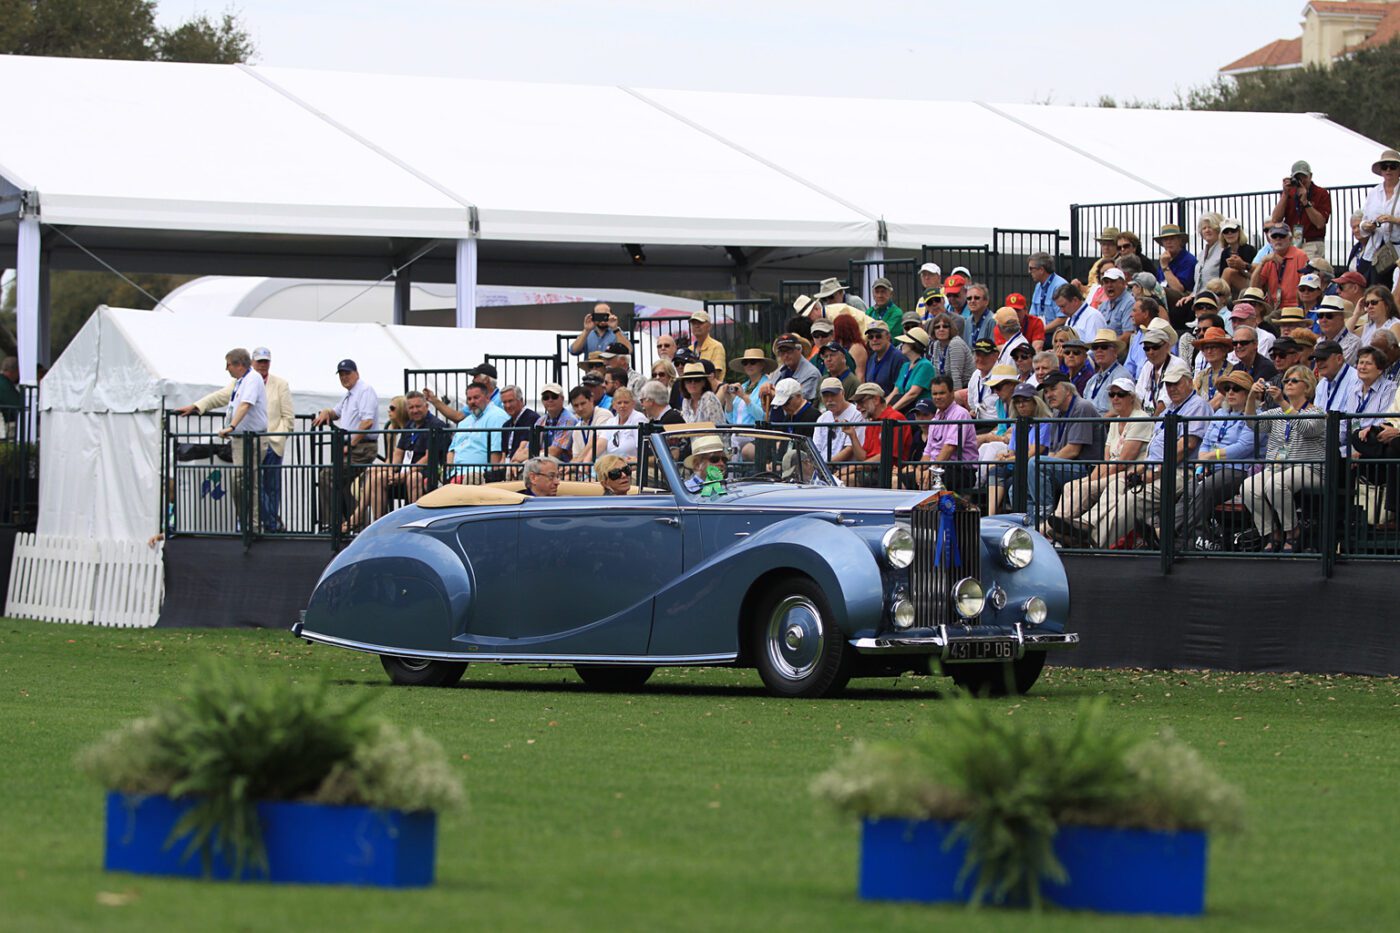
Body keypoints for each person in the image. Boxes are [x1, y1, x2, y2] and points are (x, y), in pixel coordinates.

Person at [1060, 361, 1208, 549]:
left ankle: (1095, 542)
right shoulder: (1169, 409)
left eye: (1176, 383)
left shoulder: (1197, 406)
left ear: (1189, 382)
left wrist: (1153, 471)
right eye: (1168, 385)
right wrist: (1139, 471)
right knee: (1117, 484)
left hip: (1178, 471)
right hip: (1154, 467)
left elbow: (1186, 446)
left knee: (1132, 499)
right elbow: (1151, 453)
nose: (1171, 389)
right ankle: (1084, 524)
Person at [178, 345, 292, 532]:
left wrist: (278, 437)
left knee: (267, 486)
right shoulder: (241, 381)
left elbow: (285, 415)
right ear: (252, 362)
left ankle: (266, 524)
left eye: (266, 361)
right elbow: (219, 397)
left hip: (266, 440)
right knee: (248, 482)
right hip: (247, 438)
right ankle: (256, 523)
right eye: (260, 361)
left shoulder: (275, 383)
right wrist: (196, 406)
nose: (263, 365)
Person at [1049, 376, 1153, 538]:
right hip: (1112, 470)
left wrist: (1095, 480)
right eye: (1112, 395)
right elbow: (1106, 458)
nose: (1115, 398)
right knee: (1070, 485)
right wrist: (1094, 477)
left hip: (1131, 472)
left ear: (1131, 397)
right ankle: (1058, 525)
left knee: (1086, 487)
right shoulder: (1115, 421)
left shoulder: (1140, 418)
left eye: (1121, 394)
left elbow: (1124, 461)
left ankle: (1057, 527)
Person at [1239, 366, 1325, 551]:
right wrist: (1251, 398)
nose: (1289, 384)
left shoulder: (1316, 412)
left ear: (1308, 386)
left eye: (1294, 381)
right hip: (1278, 468)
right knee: (1247, 487)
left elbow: (1306, 428)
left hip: (1310, 468)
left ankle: (1293, 531)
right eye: (1286, 381)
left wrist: (1282, 403)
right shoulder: (1276, 412)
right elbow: (1252, 423)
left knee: (1276, 483)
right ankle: (1272, 532)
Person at [1173, 370, 1260, 546]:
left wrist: (1212, 456)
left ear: (1248, 393)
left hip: (1239, 469)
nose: (1230, 393)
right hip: (1213, 468)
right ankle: (1171, 534)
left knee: (1205, 488)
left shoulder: (1256, 416)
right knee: (1189, 490)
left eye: (1236, 388)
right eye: (1227, 389)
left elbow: (1244, 447)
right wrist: (1201, 465)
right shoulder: (1220, 413)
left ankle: (1188, 536)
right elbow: (1205, 443)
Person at [353, 390, 447, 530]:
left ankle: (415, 525)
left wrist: (404, 474)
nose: (415, 410)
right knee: (378, 478)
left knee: (413, 478)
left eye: (418, 406)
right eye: (411, 407)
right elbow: (398, 454)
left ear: (426, 406)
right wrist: (391, 471)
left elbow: (428, 458)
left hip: (428, 473)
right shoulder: (409, 425)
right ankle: (381, 525)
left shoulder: (436, 425)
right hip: (404, 472)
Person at [1021, 372, 1102, 521]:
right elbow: (1053, 451)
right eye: (1045, 391)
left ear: (1068, 390)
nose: (1049, 394)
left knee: (1035, 464)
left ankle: (1044, 518)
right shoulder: (1057, 412)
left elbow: (1073, 450)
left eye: (1053, 389)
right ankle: (1030, 524)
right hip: (1066, 466)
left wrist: (1042, 463)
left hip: (1087, 468)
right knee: (1017, 486)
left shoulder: (1082, 406)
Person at [202, 348, 268, 530]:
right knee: (240, 479)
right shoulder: (241, 381)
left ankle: (252, 524)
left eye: (228, 364)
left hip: (252, 438)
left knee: (249, 480)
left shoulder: (252, 378)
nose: (226, 368)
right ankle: (245, 520)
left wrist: (231, 426)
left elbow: (246, 404)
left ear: (239, 364)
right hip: (241, 438)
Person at [312, 358, 379, 531]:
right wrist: (326, 411)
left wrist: (350, 444)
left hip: (361, 447)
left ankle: (334, 524)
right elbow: (336, 413)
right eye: (341, 374)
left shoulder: (364, 391)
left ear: (357, 373)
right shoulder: (350, 394)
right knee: (343, 484)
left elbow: (367, 422)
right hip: (354, 446)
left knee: (328, 476)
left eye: (347, 373)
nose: (344, 377)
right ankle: (352, 524)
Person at [985, 384, 1053, 515]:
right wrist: (1003, 457)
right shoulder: (1018, 424)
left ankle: (991, 515)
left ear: (1035, 402)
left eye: (1025, 401)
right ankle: (991, 513)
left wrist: (1006, 460)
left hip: (1034, 468)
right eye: (1017, 402)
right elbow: (1011, 451)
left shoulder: (1044, 423)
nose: (1021, 405)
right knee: (996, 468)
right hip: (1017, 466)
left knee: (1001, 473)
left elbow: (1031, 454)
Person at [904, 376, 976, 491]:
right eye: (935, 394)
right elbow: (928, 452)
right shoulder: (935, 419)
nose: (937, 397)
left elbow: (949, 448)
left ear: (952, 393)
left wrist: (932, 470)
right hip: (939, 468)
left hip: (960, 470)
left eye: (942, 393)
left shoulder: (960, 414)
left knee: (927, 481)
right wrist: (919, 469)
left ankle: (930, 509)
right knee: (897, 481)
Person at [841, 381, 912, 486]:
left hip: (890, 472)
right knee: (838, 479)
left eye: (861, 402)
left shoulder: (895, 418)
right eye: (856, 403)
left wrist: (854, 467)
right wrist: (852, 435)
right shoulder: (872, 423)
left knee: (842, 479)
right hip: (873, 472)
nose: (857, 407)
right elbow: (863, 458)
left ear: (876, 399)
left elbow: (885, 457)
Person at [445, 382, 509, 484]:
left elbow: (496, 453)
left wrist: (492, 478)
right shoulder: (464, 422)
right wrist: (448, 472)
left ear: (487, 397)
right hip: (456, 474)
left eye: (476, 398)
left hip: (479, 474)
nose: (472, 402)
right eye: (469, 399)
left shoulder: (497, 416)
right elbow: (451, 450)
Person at [1269, 160, 1332, 261]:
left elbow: (1320, 223)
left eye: (1304, 177)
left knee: (1307, 274)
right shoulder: (1289, 193)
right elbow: (1276, 219)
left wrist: (1306, 202)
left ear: (1310, 176)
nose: (1301, 181)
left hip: (1311, 243)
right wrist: (1285, 194)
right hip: (1291, 242)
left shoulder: (1321, 193)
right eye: (1297, 177)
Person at [1252, 223, 1310, 309]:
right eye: (1274, 236)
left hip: (1295, 307)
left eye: (1282, 236)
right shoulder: (1268, 258)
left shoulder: (1300, 256)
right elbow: (1254, 287)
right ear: (1270, 240)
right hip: (1274, 307)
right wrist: (1262, 262)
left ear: (1290, 239)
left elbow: (1306, 287)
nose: (1278, 239)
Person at [813, 377, 862, 462]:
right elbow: (816, 448)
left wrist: (827, 465)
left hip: (842, 469)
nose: (829, 400)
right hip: (822, 467)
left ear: (842, 393)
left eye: (833, 395)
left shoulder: (856, 414)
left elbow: (850, 449)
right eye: (825, 396)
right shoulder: (822, 418)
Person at [568, 384, 618, 464]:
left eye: (583, 403)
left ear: (591, 400)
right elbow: (576, 456)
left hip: (604, 467)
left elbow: (595, 440)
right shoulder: (577, 428)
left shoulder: (604, 414)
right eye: (576, 405)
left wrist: (576, 463)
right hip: (584, 470)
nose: (580, 408)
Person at [888, 326, 935, 413]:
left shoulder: (925, 365)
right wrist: (882, 411)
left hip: (919, 411)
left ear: (914, 345)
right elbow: (895, 391)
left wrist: (891, 412)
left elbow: (913, 394)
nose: (902, 345)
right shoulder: (905, 366)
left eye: (904, 342)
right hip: (904, 408)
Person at [1153, 224, 1198, 311]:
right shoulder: (1164, 258)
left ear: (1180, 241)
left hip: (1183, 301)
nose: (1169, 242)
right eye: (1165, 239)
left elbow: (1178, 289)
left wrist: (1165, 267)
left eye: (1172, 238)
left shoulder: (1188, 260)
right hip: (1163, 298)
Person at [1083, 329, 1128, 414]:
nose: (1099, 350)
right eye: (1095, 348)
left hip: (1107, 425)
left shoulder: (1121, 376)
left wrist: (1099, 423)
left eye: (1104, 347)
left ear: (1115, 351)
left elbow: (1120, 408)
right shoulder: (1092, 380)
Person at [499, 385, 541, 473]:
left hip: (522, 464)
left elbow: (524, 447)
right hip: (509, 464)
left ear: (521, 400)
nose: (508, 405)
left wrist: (512, 463)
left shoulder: (531, 418)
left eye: (511, 401)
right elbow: (503, 455)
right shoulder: (506, 425)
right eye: (504, 402)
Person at [1191, 327, 1235, 410]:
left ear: (1224, 349)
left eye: (1213, 347)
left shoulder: (1233, 371)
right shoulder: (1201, 375)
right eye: (1206, 348)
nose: (1209, 351)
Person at [769, 333, 821, 401]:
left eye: (789, 351)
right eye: (782, 352)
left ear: (799, 349)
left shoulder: (812, 374)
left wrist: (774, 393)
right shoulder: (777, 373)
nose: (786, 355)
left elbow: (799, 401)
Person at [926, 314, 973, 390]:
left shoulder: (955, 343)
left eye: (945, 326)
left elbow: (956, 377)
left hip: (966, 387)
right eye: (937, 327)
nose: (941, 329)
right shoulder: (936, 344)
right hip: (947, 388)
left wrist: (954, 401)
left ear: (951, 329)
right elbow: (937, 374)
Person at [861, 320, 906, 397]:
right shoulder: (872, 358)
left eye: (878, 336)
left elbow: (900, 391)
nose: (874, 340)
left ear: (888, 337)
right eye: (870, 337)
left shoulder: (898, 358)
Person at [537, 382, 580, 461]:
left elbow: (556, 451)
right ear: (542, 401)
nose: (550, 400)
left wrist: (532, 455)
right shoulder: (540, 421)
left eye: (554, 396)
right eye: (546, 397)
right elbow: (530, 447)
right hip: (542, 459)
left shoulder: (569, 420)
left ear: (562, 399)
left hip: (563, 464)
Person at [1028, 251, 1069, 334]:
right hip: (1041, 332)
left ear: (1041, 270)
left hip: (1055, 334)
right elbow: (1032, 315)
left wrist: (1040, 331)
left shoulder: (1060, 286)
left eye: (1031, 268)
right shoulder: (1038, 286)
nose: (1029, 271)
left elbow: (1063, 318)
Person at [602, 387, 647, 461]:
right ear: (614, 406)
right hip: (613, 465)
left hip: (633, 467)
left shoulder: (639, 418)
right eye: (619, 403)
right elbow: (601, 443)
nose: (622, 405)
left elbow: (642, 449)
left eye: (626, 402)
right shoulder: (610, 421)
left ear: (633, 404)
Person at [959, 339, 1000, 416]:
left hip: (996, 424)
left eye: (985, 355)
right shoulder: (975, 374)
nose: (980, 359)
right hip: (978, 421)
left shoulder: (1001, 375)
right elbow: (971, 402)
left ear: (996, 355)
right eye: (978, 355)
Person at [1315, 296, 1361, 365]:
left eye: (1329, 316)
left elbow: (1337, 369)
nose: (1323, 320)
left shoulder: (1353, 343)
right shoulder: (1319, 341)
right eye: (1320, 315)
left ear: (1341, 318)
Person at [1219, 218, 1258, 296]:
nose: (1229, 233)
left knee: (1228, 271)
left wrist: (1241, 267)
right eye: (1226, 231)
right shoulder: (1225, 253)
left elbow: (1256, 275)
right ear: (1223, 235)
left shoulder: (1249, 249)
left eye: (1233, 230)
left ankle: (1220, 302)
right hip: (1231, 288)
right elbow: (1221, 277)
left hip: (1251, 285)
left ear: (1239, 232)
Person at [1096, 267, 1135, 338]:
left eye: (1113, 281)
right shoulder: (1103, 306)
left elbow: (1128, 334)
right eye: (1106, 282)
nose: (1109, 285)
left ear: (1123, 283)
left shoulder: (1130, 303)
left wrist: (1108, 347)